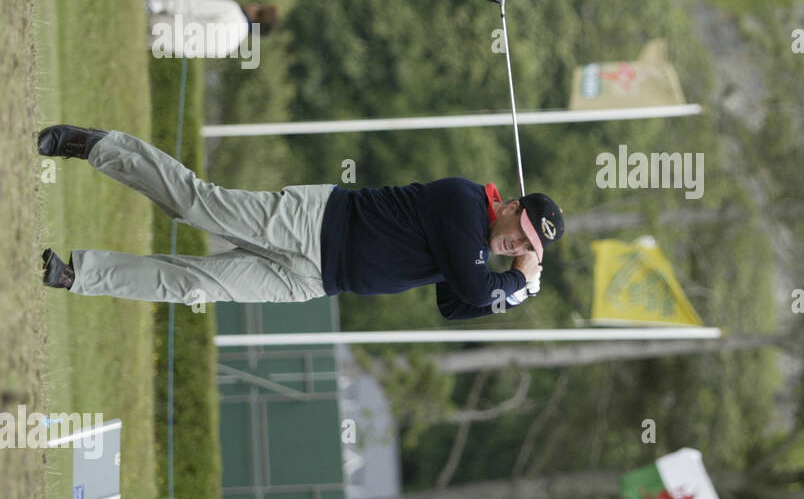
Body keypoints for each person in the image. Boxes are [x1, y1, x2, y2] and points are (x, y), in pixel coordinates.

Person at [36, 125, 563, 318]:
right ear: (513, 205)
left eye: (525, 244)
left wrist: (515, 292)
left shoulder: (475, 256)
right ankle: (99, 146)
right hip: (310, 222)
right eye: (522, 230)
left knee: (192, 285)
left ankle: (76, 275)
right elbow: (473, 288)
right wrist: (519, 279)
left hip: (313, 281)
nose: (515, 241)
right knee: (193, 204)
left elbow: (454, 305)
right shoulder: (464, 204)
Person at [147, 0, 279, 59]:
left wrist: (159, 5)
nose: (254, 4)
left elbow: (192, 5)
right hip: (158, 43)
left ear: (257, 14)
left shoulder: (232, 10)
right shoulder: (231, 47)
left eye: (259, 5)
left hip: (156, 20)